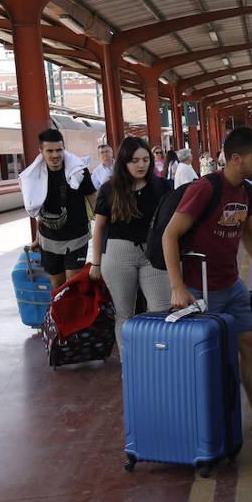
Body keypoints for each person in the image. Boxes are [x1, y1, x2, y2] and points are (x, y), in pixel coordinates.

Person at [162, 127, 252, 440]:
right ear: (235, 159)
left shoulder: (246, 192)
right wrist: (176, 285)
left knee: (250, 343)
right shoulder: (205, 188)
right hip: (199, 289)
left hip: (230, 283)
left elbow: (247, 233)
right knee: (203, 360)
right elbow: (169, 235)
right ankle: (198, 426)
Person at [88, 137, 172, 351]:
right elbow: (98, 227)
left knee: (161, 311)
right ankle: (129, 366)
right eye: (135, 160)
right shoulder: (109, 189)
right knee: (124, 313)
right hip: (118, 255)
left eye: (145, 159)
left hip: (154, 254)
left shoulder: (163, 187)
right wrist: (95, 263)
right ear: (124, 162)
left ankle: (158, 361)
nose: (141, 165)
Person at [20, 128, 97, 285]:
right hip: (49, 239)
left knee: (73, 282)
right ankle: (61, 309)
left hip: (76, 237)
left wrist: (106, 230)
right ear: (41, 151)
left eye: (59, 150)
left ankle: (74, 309)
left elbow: (94, 201)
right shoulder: (35, 176)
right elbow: (38, 210)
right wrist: (37, 238)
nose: (55, 155)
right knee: (58, 285)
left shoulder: (78, 172)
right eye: (50, 151)